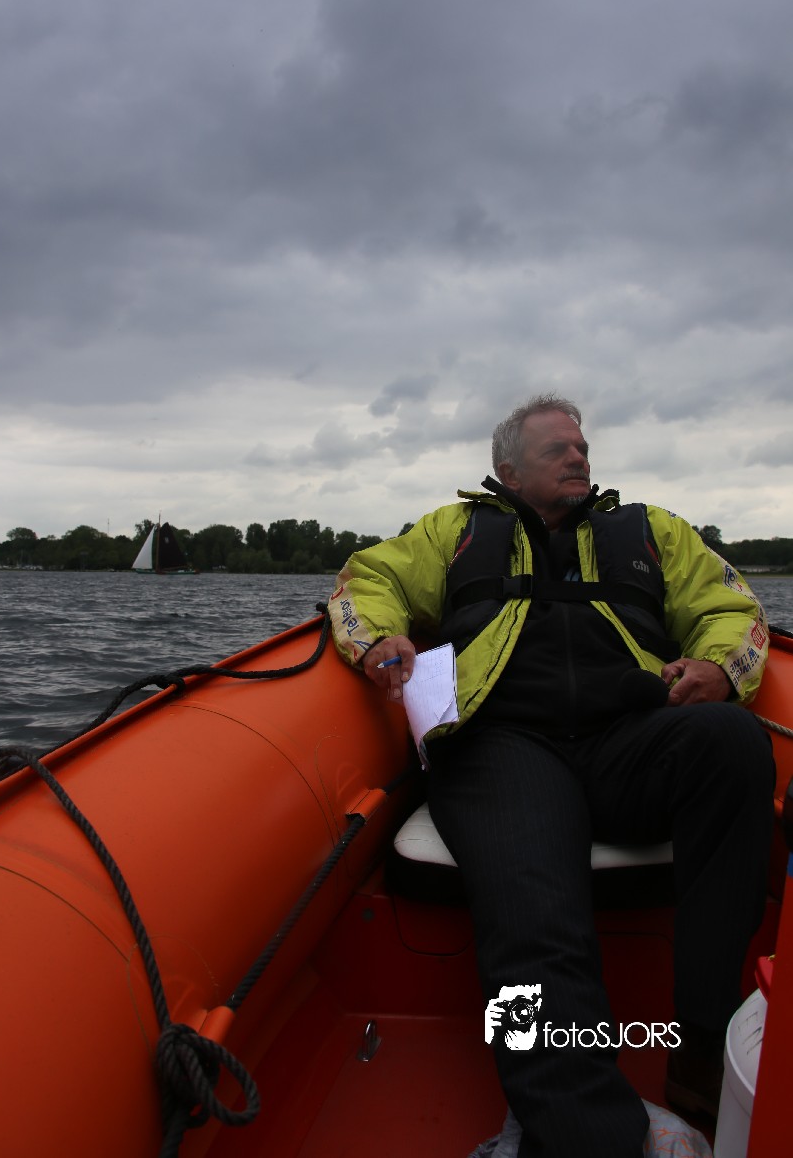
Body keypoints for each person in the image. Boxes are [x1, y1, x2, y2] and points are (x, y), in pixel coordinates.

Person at [328, 393, 775, 1158]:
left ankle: (701, 1046)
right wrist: (377, 640)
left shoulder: (652, 531)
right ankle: (587, 1134)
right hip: (501, 745)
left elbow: (729, 607)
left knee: (731, 741)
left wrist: (717, 668)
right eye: (556, 450)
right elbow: (368, 581)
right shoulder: (454, 531)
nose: (578, 457)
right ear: (507, 471)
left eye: (581, 447)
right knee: (532, 909)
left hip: (627, 740)